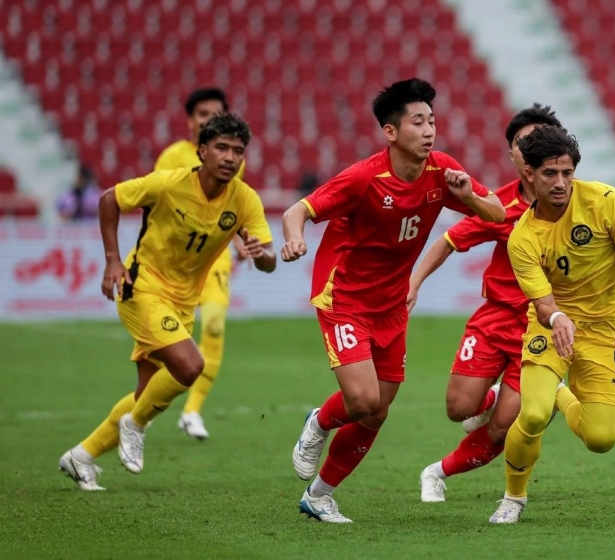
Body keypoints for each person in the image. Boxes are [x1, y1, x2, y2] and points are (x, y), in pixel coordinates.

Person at [281, 78, 506, 523]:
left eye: (432, 121)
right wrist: (294, 239)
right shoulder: (364, 177)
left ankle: (319, 496)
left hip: (392, 305)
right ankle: (319, 422)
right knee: (362, 400)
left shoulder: (442, 171)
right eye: (417, 122)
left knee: (377, 412)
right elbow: (298, 211)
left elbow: (497, 213)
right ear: (391, 132)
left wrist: (467, 197)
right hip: (344, 297)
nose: (429, 130)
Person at [58, 114, 276, 490]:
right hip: (141, 288)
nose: (230, 157)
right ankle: (135, 425)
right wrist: (112, 260)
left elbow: (269, 260)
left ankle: (81, 456)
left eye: (238, 151)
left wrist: (261, 254)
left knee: (146, 394)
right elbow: (110, 199)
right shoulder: (170, 183)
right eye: (221, 148)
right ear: (202, 151)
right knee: (190, 366)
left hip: (182, 303)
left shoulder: (244, 200)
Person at [488, 125, 615, 524]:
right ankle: (513, 497)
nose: (560, 182)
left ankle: (559, 392)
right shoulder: (523, 238)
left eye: (567, 172)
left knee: (601, 439)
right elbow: (543, 303)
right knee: (532, 415)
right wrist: (558, 317)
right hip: (552, 328)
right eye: (550, 173)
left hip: (606, 328)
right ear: (529, 174)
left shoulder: (604, 200)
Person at [407, 104, 563, 502]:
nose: (531, 149)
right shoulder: (500, 205)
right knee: (459, 409)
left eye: (540, 140)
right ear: (512, 154)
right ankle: (490, 396)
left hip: (543, 329)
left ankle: (437, 472)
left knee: (504, 425)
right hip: (496, 319)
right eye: (523, 143)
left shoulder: (579, 203)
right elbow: (448, 241)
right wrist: (414, 282)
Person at [154, 87, 248, 440]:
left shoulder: (234, 161)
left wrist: (239, 239)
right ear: (190, 120)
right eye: (203, 114)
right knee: (164, 340)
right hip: (171, 262)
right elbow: (156, 205)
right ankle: (146, 405)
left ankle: (192, 410)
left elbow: (229, 207)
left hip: (213, 259)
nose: (210, 119)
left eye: (216, 114)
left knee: (214, 326)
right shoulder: (172, 157)